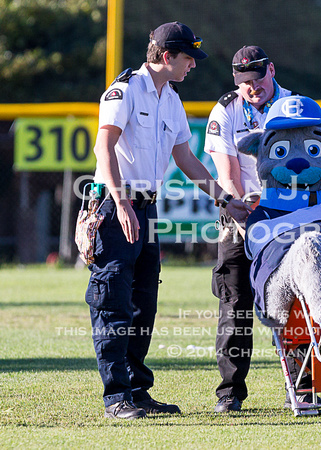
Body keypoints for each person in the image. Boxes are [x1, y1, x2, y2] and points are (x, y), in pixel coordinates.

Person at [85, 21, 250, 420]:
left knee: (144, 304)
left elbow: (187, 161)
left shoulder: (171, 99)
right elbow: (103, 147)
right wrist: (122, 204)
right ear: (166, 56)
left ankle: (138, 391)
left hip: (148, 209)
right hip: (116, 206)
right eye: (188, 57)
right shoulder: (124, 90)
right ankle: (116, 396)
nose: (192, 65)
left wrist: (226, 200)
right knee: (113, 303)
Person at [204, 46, 321, 413]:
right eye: (244, 83)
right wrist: (245, 217)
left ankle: (305, 387)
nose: (251, 88)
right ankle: (230, 392)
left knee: (300, 299)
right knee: (235, 304)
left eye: (257, 80)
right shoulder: (225, 109)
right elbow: (225, 173)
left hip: (291, 217)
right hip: (240, 216)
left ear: (271, 70)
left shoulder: (296, 105)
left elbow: (315, 163)